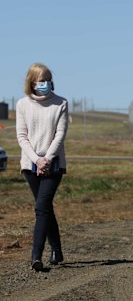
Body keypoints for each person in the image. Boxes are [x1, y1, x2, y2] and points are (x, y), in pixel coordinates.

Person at [16, 63, 69, 271]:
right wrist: (36, 160)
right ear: (31, 82)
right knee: (45, 208)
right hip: (30, 164)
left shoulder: (61, 103)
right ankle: (56, 249)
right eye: (40, 80)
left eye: (47, 79)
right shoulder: (22, 105)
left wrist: (46, 158)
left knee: (41, 207)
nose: (45, 83)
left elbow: (60, 134)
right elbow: (22, 136)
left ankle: (36, 256)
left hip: (53, 164)